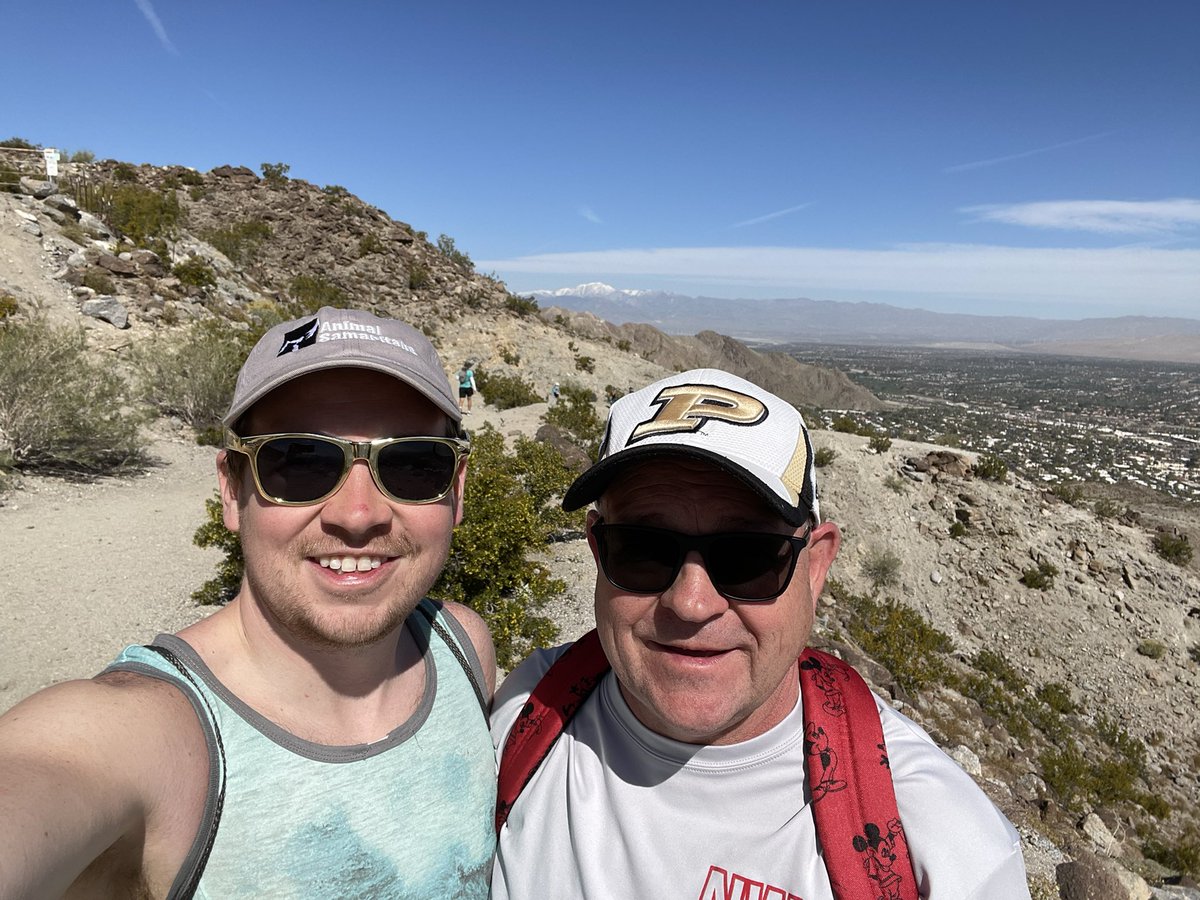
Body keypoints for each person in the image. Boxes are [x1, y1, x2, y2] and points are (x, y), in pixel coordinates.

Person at [0, 307, 497, 898]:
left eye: (414, 465)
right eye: (299, 464)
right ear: (233, 491)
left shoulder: (463, 647)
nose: (357, 514)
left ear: (456, 491)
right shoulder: (146, 736)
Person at [491, 368, 1030, 899]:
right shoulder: (520, 715)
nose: (691, 602)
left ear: (815, 569)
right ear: (596, 550)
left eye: (747, 558)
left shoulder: (944, 848)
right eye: (642, 549)